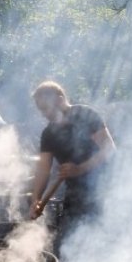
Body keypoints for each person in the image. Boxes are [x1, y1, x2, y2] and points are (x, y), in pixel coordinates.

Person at [29, 81, 116, 231]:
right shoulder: (48, 134)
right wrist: (36, 198)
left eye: (45, 108)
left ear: (60, 100)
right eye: (40, 110)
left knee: (101, 240)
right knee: (67, 242)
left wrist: (80, 169)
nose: (44, 114)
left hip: (103, 191)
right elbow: (43, 170)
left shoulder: (85, 115)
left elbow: (109, 149)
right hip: (74, 195)